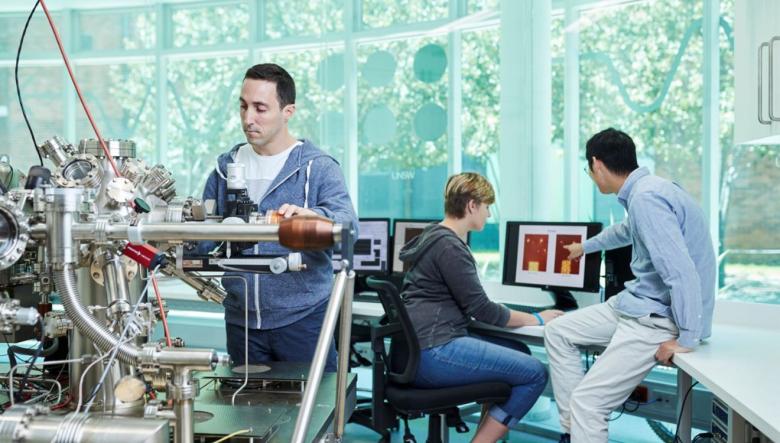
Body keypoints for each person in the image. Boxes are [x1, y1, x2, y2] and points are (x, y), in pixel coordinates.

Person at [544, 128, 716, 443]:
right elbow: (624, 232)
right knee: (558, 331)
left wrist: (689, 337)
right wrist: (586, 247)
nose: (592, 177)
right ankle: (574, 432)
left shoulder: (646, 199)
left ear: (597, 165)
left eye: (588, 171)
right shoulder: (647, 191)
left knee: (589, 403)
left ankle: (581, 424)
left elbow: (681, 272)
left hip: (655, 318)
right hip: (636, 304)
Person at [201, 63, 358, 371]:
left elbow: (349, 225)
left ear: (288, 111)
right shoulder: (225, 170)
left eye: (260, 108)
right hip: (241, 322)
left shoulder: (317, 167)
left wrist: (316, 218)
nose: (248, 119)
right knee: (247, 414)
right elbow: (202, 240)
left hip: (303, 320)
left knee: (314, 413)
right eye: (244, 107)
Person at [398, 172, 564, 443]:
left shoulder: (432, 236)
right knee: (535, 373)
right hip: (435, 351)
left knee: (519, 350)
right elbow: (484, 310)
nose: (488, 214)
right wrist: (538, 318)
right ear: (472, 205)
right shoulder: (449, 246)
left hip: (418, 348)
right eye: (487, 207)